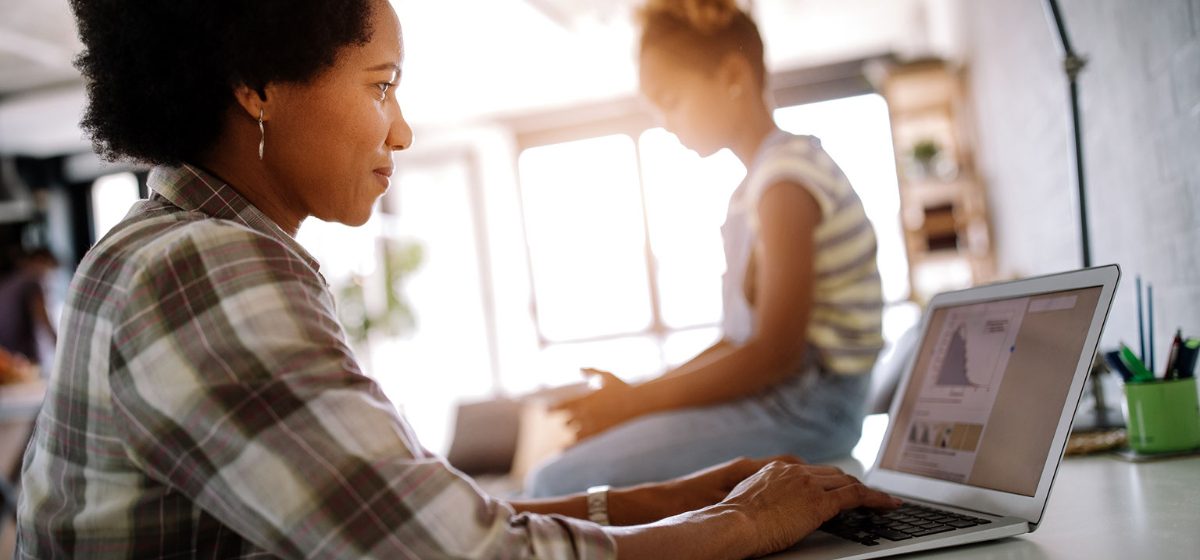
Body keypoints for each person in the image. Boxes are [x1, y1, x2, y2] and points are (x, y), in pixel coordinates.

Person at [17, 0, 898, 558]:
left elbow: (395, 513)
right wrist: (742, 524)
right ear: (256, 84)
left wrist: (671, 495)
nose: (399, 132)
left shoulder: (178, 245)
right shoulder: (199, 271)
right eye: (381, 85)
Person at [527, 0, 885, 498]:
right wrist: (637, 396)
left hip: (810, 410)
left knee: (555, 481)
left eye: (670, 99)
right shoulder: (756, 188)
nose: (665, 122)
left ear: (733, 75)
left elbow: (775, 354)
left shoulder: (785, 182)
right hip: (782, 397)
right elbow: (740, 343)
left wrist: (638, 404)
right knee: (565, 468)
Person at [0, 247, 59, 368]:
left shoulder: (8, 282)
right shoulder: (33, 282)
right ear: (40, 260)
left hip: (7, 356)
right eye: (49, 269)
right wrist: (62, 348)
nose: (48, 277)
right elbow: (44, 320)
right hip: (24, 358)